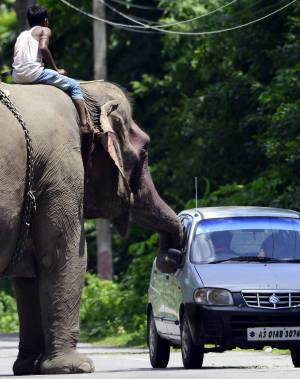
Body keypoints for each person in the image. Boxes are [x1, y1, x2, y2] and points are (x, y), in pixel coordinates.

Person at [12, 5, 93, 133]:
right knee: (74, 85)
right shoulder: (44, 30)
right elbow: (43, 48)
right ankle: (84, 124)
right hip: (34, 74)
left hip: (16, 76)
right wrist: (56, 69)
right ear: (45, 21)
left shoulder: (22, 35)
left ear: (29, 21)